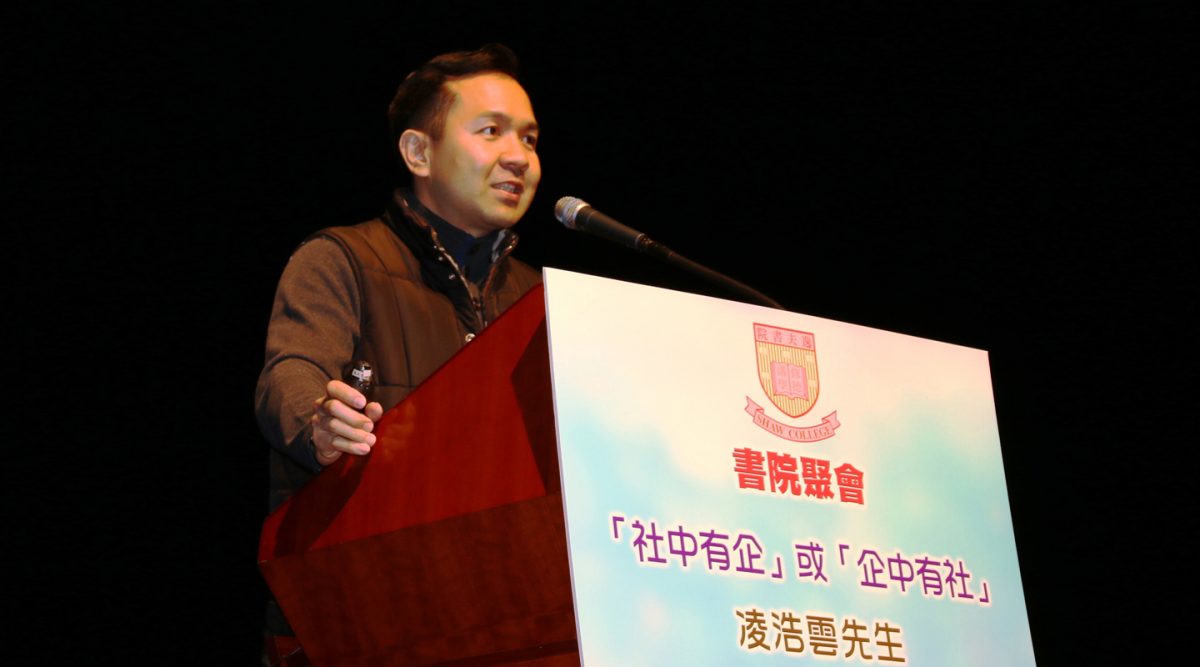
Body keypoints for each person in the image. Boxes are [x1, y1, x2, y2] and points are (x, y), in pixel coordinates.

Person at [254, 43, 543, 653]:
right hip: (359, 618)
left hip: (508, 616)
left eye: (531, 139)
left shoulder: (541, 298)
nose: (518, 157)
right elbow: (291, 374)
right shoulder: (342, 260)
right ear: (418, 151)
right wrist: (321, 426)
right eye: (491, 132)